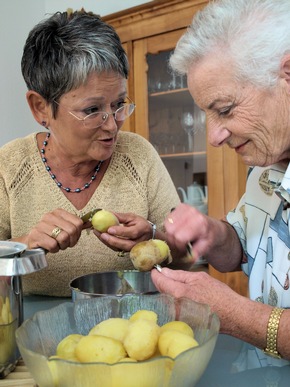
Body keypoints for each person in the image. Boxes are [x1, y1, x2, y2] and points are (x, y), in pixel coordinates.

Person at [0, 9, 182, 297]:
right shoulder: (8, 167)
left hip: (131, 329)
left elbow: (188, 255)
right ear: (40, 108)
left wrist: (155, 235)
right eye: (92, 110)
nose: (112, 124)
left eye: (119, 103)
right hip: (35, 334)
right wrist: (25, 244)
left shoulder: (139, 156)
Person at [151, 0, 290, 370]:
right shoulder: (264, 163)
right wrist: (213, 235)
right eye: (206, 114)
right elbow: (245, 248)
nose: (213, 136)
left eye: (225, 109)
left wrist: (237, 315)